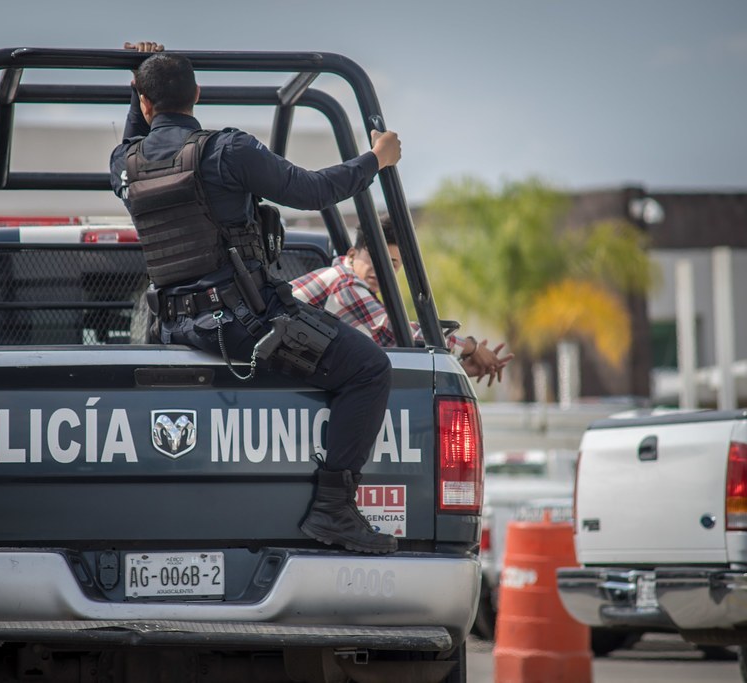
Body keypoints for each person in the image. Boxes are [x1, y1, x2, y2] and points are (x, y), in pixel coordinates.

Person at [109, 46, 404, 554]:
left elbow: (137, 137)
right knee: (370, 368)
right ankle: (333, 510)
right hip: (247, 328)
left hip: (174, 328)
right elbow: (312, 190)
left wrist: (136, 82)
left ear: (144, 103)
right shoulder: (227, 150)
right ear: (198, 95)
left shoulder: (124, 164)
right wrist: (375, 160)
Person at [291, 215, 514, 385]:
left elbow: (389, 351)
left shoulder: (356, 292)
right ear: (351, 255)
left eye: (392, 264)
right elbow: (396, 333)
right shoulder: (344, 283)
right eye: (374, 258)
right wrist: (471, 347)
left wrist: (458, 368)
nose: (381, 270)